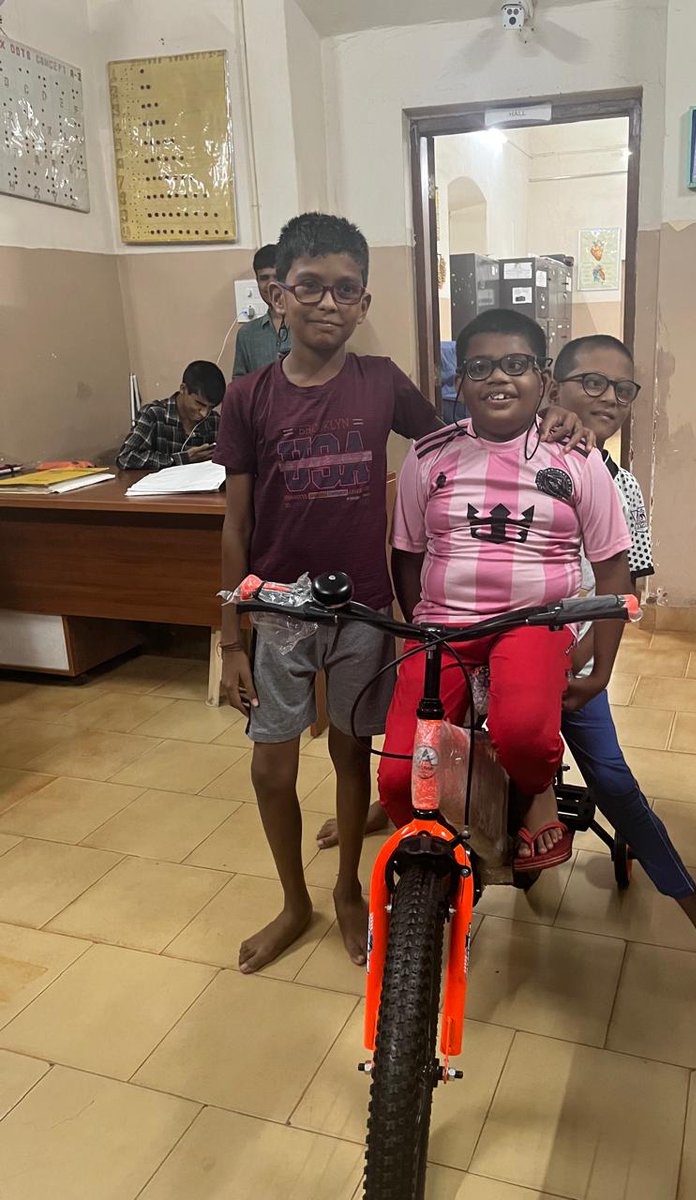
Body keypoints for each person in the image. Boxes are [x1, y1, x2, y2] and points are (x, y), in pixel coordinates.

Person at [215, 215, 587, 973]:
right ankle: (295, 901)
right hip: (277, 610)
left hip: (362, 611)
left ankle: (350, 887)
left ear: (363, 300)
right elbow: (235, 522)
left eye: (345, 289)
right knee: (270, 769)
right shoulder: (248, 397)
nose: (328, 303)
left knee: (357, 758)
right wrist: (230, 638)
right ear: (277, 296)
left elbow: (469, 432)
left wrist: (551, 413)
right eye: (309, 287)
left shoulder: (381, 382)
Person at [553, 333, 696, 1020]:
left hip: (574, 659)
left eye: (623, 389)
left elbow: (628, 589)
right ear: (554, 386)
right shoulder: (506, 456)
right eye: (592, 382)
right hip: (488, 652)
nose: (609, 399)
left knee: (614, 784)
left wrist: (589, 659)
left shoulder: (622, 485)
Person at [378, 308, 632, 869]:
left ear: (542, 379)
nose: (498, 378)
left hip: (534, 623)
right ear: (459, 382)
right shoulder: (428, 456)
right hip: (442, 628)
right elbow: (408, 554)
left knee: (523, 737)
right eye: (480, 367)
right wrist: (416, 629)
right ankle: (447, 855)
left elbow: (614, 572)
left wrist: (603, 670)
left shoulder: (579, 458)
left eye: (515, 364)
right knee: (398, 781)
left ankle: (535, 793)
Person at [116, 360, 224, 470]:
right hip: (158, 486)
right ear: (183, 389)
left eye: (211, 407)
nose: (204, 413)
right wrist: (181, 458)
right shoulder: (154, 415)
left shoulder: (214, 420)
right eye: (199, 403)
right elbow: (125, 458)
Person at [232, 244, 292, 378]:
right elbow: (239, 385)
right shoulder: (247, 335)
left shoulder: (307, 326)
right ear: (257, 281)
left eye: (277, 277)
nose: (271, 284)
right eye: (264, 278)